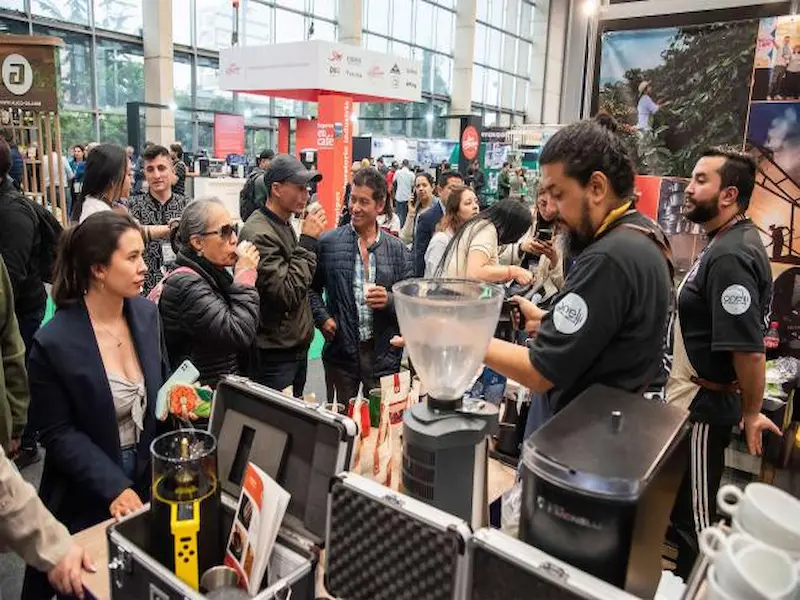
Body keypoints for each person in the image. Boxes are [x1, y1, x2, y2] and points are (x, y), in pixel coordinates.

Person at [479, 118, 672, 415]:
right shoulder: (646, 232)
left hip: (586, 437)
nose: (552, 209)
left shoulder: (608, 257)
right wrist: (547, 321)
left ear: (596, 187)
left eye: (559, 195)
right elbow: (611, 333)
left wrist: (458, 336)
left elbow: (538, 372)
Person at [22, 212, 168, 599]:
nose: (143, 267)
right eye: (133, 258)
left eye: (144, 256)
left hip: (146, 473)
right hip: (87, 485)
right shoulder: (54, 343)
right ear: (99, 269)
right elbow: (56, 433)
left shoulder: (147, 314)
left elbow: (161, 388)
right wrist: (112, 485)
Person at [665, 149, 780, 579]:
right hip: (689, 401)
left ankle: (697, 588)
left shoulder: (732, 255)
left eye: (699, 180)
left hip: (702, 411)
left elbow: (748, 350)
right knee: (682, 510)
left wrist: (751, 412)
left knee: (695, 522)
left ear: (729, 194)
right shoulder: (724, 243)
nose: (688, 189)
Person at [310, 168, 413, 402]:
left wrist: (389, 300)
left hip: (383, 357)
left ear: (379, 205)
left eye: (363, 201)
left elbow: (411, 301)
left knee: (381, 422)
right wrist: (322, 317)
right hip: (341, 353)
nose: (354, 207)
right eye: (352, 199)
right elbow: (310, 290)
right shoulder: (328, 243)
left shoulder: (397, 250)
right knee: (340, 423)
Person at [239, 155, 325, 397]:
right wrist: (308, 242)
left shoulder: (283, 223)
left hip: (293, 346)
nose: (306, 195)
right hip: (275, 354)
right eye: (298, 188)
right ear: (276, 189)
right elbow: (285, 293)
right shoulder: (258, 232)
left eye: (307, 189)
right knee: (277, 426)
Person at [159, 200, 260, 387]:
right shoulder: (185, 285)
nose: (234, 239)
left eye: (234, 229)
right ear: (197, 242)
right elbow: (237, 332)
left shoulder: (212, 272)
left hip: (217, 388)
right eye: (225, 232)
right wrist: (245, 277)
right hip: (200, 401)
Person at [0, 139, 48, 468]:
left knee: (21, 369)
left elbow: (12, 275)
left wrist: (16, 426)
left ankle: (26, 440)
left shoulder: (13, 211)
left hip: (23, 310)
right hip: (15, 308)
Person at [128, 144, 189, 295]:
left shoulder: (188, 207)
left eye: (161, 168)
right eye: (150, 169)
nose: (156, 175)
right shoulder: (131, 208)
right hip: (143, 290)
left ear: (172, 171)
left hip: (183, 289)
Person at [437, 198, 533, 285]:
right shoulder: (486, 230)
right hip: (458, 298)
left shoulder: (481, 226)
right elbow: (475, 273)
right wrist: (513, 272)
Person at [414, 170, 465, 276]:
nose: (457, 193)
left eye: (460, 189)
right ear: (440, 190)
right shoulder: (427, 218)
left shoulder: (464, 216)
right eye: (452, 188)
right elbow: (420, 256)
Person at [424, 186, 480, 277]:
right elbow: (436, 278)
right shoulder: (441, 240)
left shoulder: (472, 237)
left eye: (476, 202)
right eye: (468, 203)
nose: (475, 207)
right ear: (455, 210)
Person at [72, 143, 132, 223]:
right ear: (112, 180)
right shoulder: (102, 217)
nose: (132, 180)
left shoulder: (98, 207)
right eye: (129, 174)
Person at [400, 171, 436, 245]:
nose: (421, 189)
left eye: (424, 185)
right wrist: (411, 214)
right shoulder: (416, 209)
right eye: (418, 186)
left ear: (432, 187)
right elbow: (404, 238)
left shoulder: (438, 208)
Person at [41, 144, 74, 216]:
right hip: (62, 188)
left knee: (51, 211)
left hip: (48, 188)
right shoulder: (62, 158)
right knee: (64, 211)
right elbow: (70, 175)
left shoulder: (43, 159)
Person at [392, 159, 415, 226]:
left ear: (402, 164)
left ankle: (397, 228)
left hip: (398, 196)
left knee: (398, 214)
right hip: (407, 197)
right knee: (405, 215)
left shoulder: (397, 172)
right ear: (408, 165)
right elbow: (413, 185)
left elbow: (394, 181)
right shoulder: (411, 174)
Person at [769, 35, 792, 99]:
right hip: (777, 65)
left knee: (780, 81)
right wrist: (772, 39)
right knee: (774, 80)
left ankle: (777, 94)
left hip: (784, 66)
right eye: (786, 40)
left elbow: (789, 57)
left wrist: (786, 57)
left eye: (788, 40)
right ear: (784, 40)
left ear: (789, 41)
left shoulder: (790, 49)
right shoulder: (780, 47)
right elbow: (775, 44)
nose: (787, 41)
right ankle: (769, 94)